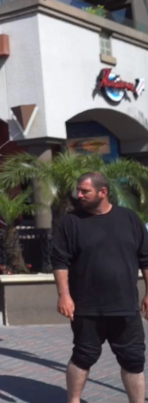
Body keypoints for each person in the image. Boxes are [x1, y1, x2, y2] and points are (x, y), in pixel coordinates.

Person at [52, 172, 148, 403]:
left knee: (134, 360)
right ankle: (73, 400)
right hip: (86, 307)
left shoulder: (129, 219)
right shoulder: (70, 222)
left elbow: (146, 259)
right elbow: (60, 262)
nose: (79, 195)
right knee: (83, 356)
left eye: (85, 191)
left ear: (102, 192)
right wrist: (64, 295)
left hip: (125, 306)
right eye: (78, 190)